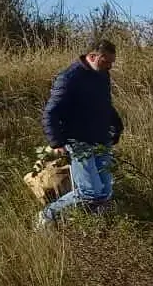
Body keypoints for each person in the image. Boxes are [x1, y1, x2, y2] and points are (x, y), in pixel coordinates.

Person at [37, 38, 124, 228]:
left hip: (101, 139)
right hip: (78, 141)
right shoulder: (69, 78)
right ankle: (48, 214)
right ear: (92, 56)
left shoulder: (102, 75)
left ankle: (95, 230)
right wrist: (56, 142)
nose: (109, 66)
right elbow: (50, 112)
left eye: (112, 62)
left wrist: (117, 125)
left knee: (105, 191)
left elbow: (105, 104)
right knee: (89, 191)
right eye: (105, 61)